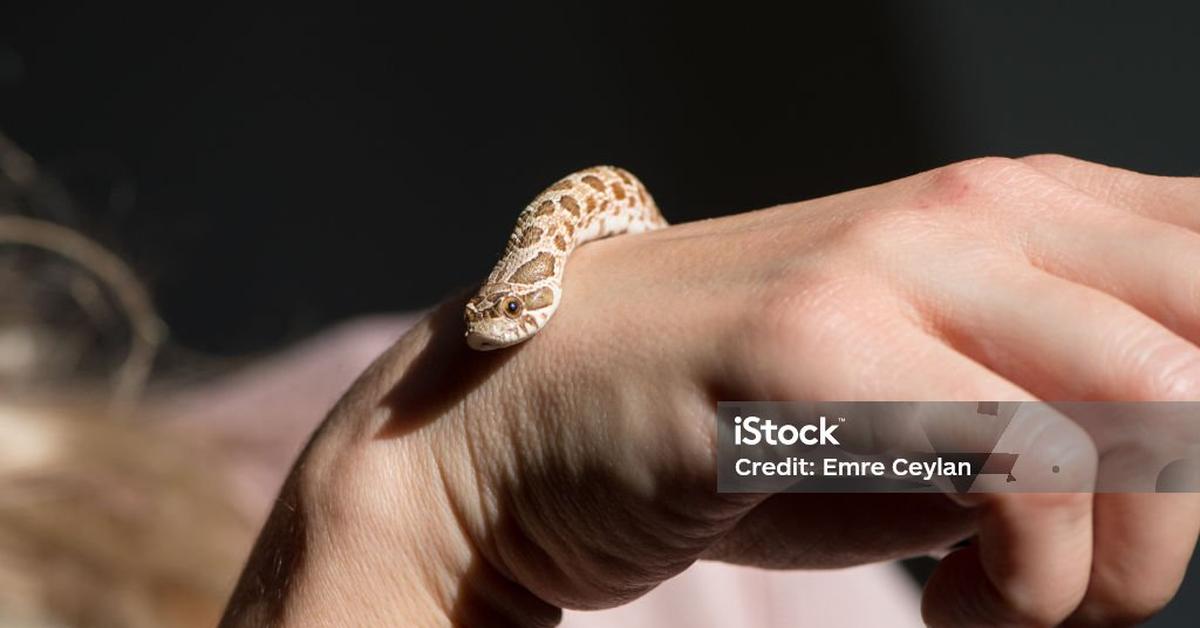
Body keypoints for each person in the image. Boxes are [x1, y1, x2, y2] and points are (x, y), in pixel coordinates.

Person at [218, 155, 1200, 626]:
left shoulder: (365, 381)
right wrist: (425, 514)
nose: (493, 344)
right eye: (494, 333)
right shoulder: (432, 417)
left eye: (507, 321)